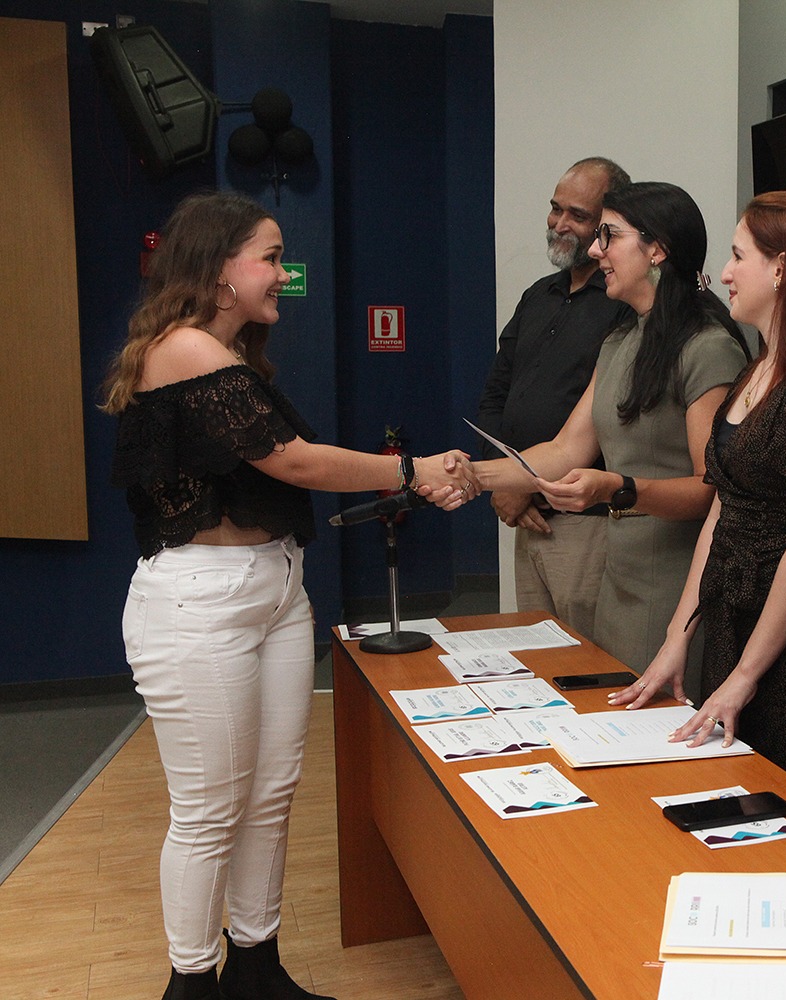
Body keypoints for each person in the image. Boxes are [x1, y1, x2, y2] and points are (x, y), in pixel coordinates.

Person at [102, 192, 476, 1000]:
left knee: (269, 797)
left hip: (273, 590)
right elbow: (294, 461)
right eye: (269, 258)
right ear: (218, 269)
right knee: (210, 809)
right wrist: (413, 470)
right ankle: (191, 984)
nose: (284, 274)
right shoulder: (186, 348)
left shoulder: (230, 356)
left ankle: (256, 969)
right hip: (200, 603)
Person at [608, 192, 786, 813]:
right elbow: (721, 512)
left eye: (738, 256)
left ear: (782, 268)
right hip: (735, 630)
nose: (725, 272)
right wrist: (678, 636)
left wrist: (745, 676)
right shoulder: (757, 369)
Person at [474, 181, 749, 690]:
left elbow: (710, 489)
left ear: (657, 249)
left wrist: (617, 488)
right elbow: (566, 449)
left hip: (674, 582)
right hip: (618, 577)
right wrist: (471, 476)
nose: (596, 250)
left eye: (609, 236)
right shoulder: (621, 338)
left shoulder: (707, 347)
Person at [474, 157, 635, 641]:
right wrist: (505, 484)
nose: (560, 223)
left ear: (608, 225)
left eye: (578, 216)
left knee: (588, 660)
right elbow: (496, 394)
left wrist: (523, 486)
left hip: (584, 521)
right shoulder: (537, 295)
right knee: (538, 656)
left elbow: (611, 419)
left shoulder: (624, 304)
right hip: (524, 516)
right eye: (555, 208)